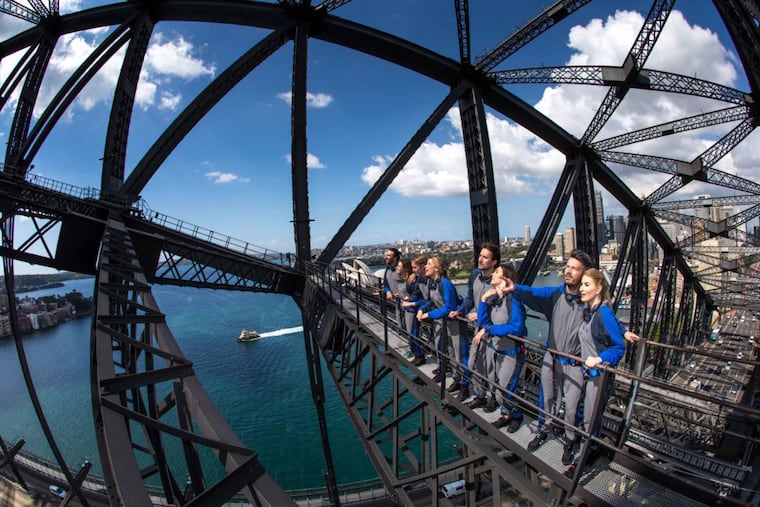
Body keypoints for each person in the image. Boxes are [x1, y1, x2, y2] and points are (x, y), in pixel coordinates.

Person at [564, 267, 625, 477]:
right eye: (582, 284)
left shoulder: (603, 312)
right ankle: (584, 450)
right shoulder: (589, 311)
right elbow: (612, 328)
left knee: (590, 419)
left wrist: (599, 358)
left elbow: (618, 348)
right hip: (586, 374)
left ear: (599, 289)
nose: (581, 288)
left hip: (599, 376)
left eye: (586, 285)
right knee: (580, 414)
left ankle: (581, 462)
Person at [474, 262, 527, 432]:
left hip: (512, 352)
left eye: (496, 272)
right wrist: (483, 300)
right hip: (499, 350)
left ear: (505, 278)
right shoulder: (495, 300)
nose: (493, 274)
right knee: (500, 387)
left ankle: (516, 415)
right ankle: (506, 414)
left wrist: (491, 329)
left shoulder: (513, 301)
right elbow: (482, 322)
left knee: (502, 391)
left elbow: (516, 327)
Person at [448, 243, 500, 403]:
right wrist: (460, 310)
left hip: (493, 328)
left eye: (485, 257)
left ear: (494, 262)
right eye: (480, 256)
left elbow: (501, 304)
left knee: (492, 366)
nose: (480, 259)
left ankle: (492, 398)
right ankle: (479, 395)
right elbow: (470, 298)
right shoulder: (475, 275)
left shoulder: (498, 279)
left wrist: (479, 313)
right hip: (480, 327)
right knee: (476, 362)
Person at [416, 257, 461, 388]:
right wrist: (422, 309)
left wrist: (429, 314)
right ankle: (444, 370)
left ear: (436, 268)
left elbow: (449, 307)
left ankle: (459, 379)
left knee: (455, 352)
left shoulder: (444, 283)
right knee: (439, 346)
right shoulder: (433, 282)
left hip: (452, 321)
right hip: (441, 320)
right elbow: (431, 301)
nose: (425, 267)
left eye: (429, 264)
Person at [382, 248, 403, 328]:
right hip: (397, 304)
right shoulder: (387, 269)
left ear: (395, 258)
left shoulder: (401, 269)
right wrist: (388, 291)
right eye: (386, 255)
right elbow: (385, 284)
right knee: (400, 324)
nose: (386, 257)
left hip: (406, 303)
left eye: (389, 255)